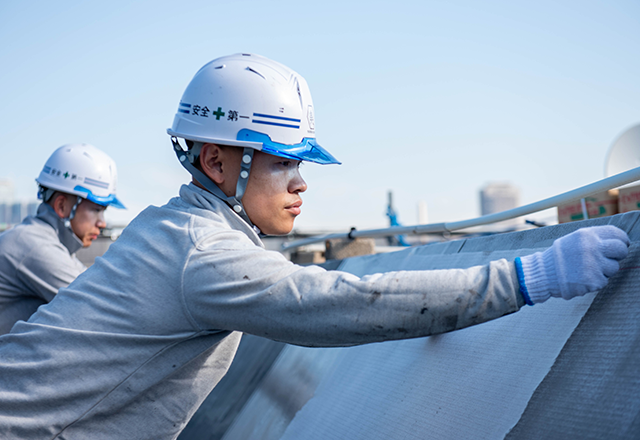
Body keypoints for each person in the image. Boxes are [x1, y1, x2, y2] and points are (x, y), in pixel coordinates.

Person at [0, 54, 630, 439]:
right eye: (282, 162)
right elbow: (336, 302)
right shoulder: (203, 253)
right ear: (217, 162)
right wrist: (527, 278)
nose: (301, 182)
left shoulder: (171, 228)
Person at [0, 143, 124, 335]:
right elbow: (103, 308)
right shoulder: (35, 246)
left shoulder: (53, 246)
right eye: (97, 210)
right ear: (62, 206)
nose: (102, 223)